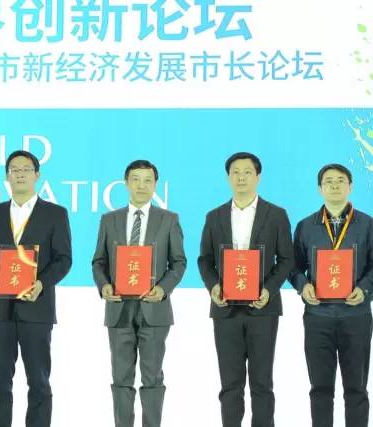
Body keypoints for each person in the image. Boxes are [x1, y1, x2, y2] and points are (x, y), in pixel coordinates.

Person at [0, 150, 72, 427]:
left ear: (37, 175)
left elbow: (64, 259)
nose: (19, 174)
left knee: (38, 382)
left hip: (36, 307)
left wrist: (41, 283)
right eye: (14, 170)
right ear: (7, 176)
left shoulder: (55, 214)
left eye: (26, 169)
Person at [197, 152, 294, 427]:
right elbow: (205, 260)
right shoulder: (214, 216)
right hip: (225, 309)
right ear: (228, 177)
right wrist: (214, 287)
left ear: (258, 177)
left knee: (262, 383)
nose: (241, 177)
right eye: (235, 172)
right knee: (230, 384)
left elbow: (286, 259)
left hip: (263, 309)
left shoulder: (276, 215)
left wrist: (269, 290)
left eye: (247, 172)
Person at [92, 159, 186, 427]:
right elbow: (98, 261)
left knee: (152, 377)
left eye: (147, 180)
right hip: (118, 308)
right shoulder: (109, 220)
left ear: (155, 184)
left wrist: (163, 289)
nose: (141, 185)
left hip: (154, 309)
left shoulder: (168, 219)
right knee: (121, 378)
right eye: (136, 179)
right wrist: (104, 285)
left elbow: (178, 262)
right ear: (126, 183)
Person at [289, 163, 373, 427]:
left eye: (340, 180)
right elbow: (293, 266)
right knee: (320, 389)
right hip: (318, 316)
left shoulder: (368, 225)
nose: (334, 185)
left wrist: (365, 289)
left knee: (356, 388)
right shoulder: (306, 226)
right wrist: (303, 286)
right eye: (328, 181)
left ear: (351, 186)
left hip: (356, 316)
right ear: (319, 189)